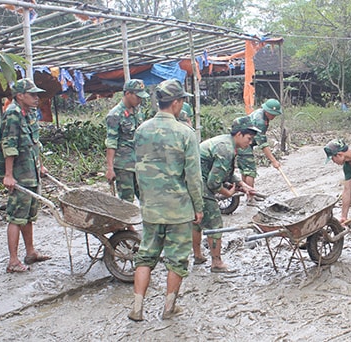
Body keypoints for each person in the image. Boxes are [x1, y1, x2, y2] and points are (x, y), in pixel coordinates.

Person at [128, 79, 204, 321]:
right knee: (177, 258)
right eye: (182, 101)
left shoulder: (141, 130)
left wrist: (144, 199)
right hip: (178, 209)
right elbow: (193, 175)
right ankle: (169, 307)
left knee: (145, 255)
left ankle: (137, 308)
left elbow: (137, 169)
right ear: (177, 102)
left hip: (151, 207)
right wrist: (198, 207)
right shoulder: (185, 133)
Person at [192, 116, 259, 272]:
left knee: (196, 220)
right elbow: (213, 183)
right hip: (200, 184)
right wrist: (228, 193)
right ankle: (216, 263)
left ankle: (198, 256)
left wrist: (242, 185)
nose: (249, 143)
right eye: (248, 139)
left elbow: (226, 173)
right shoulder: (226, 149)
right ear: (239, 134)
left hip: (192, 182)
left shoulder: (226, 143)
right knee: (215, 224)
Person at [0, 78, 51, 273]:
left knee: (28, 215)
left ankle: (30, 252)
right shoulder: (12, 114)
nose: (37, 98)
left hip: (31, 171)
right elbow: (9, 146)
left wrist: (41, 166)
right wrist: (8, 175)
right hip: (19, 173)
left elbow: (34, 143)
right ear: (20, 95)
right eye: (32, 94)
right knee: (16, 217)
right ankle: (13, 261)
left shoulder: (28, 113)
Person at [105, 79, 149, 204]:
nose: (140, 100)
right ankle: (128, 224)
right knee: (126, 201)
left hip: (140, 163)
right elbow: (111, 142)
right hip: (124, 165)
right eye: (137, 96)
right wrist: (110, 168)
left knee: (146, 197)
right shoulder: (115, 115)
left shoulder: (137, 112)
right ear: (128, 94)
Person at [237, 98, 282, 205]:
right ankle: (250, 197)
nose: (274, 117)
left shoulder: (263, 116)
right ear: (267, 111)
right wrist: (273, 161)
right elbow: (263, 144)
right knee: (250, 170)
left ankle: (249, 194)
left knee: (245, 170)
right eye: (272, 114)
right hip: (242, 142)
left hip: (244, 141)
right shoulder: (260, 120)